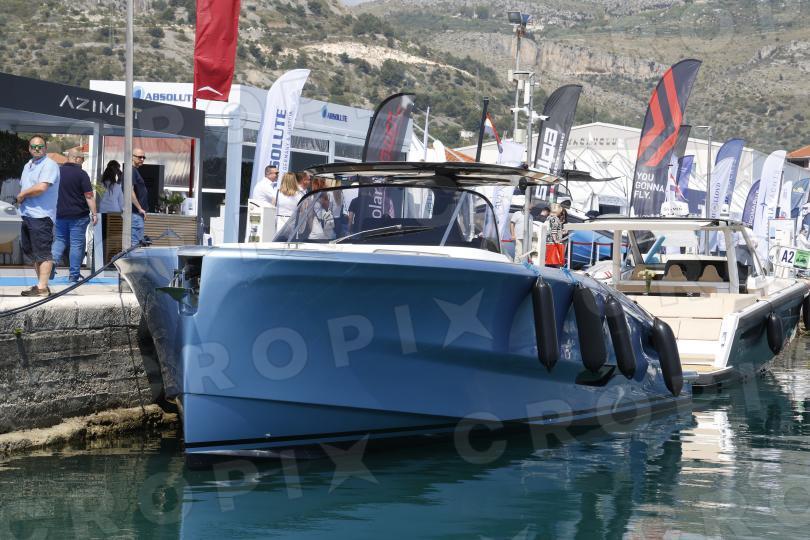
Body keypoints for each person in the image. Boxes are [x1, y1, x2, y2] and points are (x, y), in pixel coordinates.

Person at [16, 135, 60, 297]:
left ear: (45, 148)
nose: (37, 149)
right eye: (33, 146)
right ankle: (41, 285)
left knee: (43, 252)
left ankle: (42, 287)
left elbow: (41, 187)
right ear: (29, 149)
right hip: (27, 214)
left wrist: (22, 195)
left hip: (41, 216)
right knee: (33, 252)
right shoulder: (28, 165)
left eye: (40, 146)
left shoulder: (49, 165)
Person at [52, 148, 97, 282]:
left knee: (59, 240)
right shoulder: (81, 174)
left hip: (60, 214)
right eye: (82, 159)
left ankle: (52, 263)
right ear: (76, 158)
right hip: (78, 215)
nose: (82, 162)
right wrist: (94, 213)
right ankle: (74, 275)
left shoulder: (58, 173)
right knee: (76, 244)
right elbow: (89, 196)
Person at [130, 148, 149, 246]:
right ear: (132, 157)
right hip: (135, 213)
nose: (142, 159)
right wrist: (139, 208)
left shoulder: (134, 170)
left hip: (137, 214)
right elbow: (130, 191)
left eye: (143, 157)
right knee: (135, 244)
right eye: (139, 157)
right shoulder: (131, 170)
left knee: (137, 244)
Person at [545, 203, 566, 268]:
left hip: (548, 241)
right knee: (556, 262)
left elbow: (550, 229)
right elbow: (554, 230)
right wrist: (556, 240)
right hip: (554, 243)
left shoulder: (548, 217)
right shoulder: (555, 218)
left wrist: (561, 232)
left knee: (548, 262)